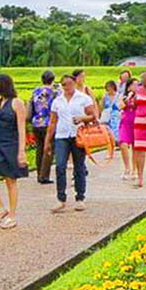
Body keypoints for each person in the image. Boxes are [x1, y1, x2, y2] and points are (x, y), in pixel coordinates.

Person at [0, 74, 28, 229]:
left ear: (2, 85)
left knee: (10, 181)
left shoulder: (17, 103)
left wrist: (21, 152)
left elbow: (22, 129)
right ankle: (1, 208)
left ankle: (13, 216)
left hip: (11, 145)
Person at [45, 73, 96, 213]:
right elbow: (53, 121)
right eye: (64, 84)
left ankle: (80, 197)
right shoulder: (57, 101)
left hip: (78, 135)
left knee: (79, 166)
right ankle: (61, 198)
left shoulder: (83, 98)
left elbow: (93, 116)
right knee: (60, 166)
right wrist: (47, 141)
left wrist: (82, 118)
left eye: (69, 84)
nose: (67, 87)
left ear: (74, 83)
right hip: (61, 135)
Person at [27, 70, 57, 184]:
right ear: (52, 79)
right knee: (48, 148)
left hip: (36, 123)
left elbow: (30, 106)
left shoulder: (35, 91)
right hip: (48, 123)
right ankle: (44, 176)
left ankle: (39, 173)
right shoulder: (54, 92)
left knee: (39, 149)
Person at [118, 78, 138, 179]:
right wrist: (127, 99)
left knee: (135, 146)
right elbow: (120, 106)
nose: (136, 87)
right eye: (134, 85)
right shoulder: (124, 96)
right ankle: (127, 168)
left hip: (136, 122)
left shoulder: (140, 97)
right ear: (129, 87)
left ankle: (134, 169)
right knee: (123, 144)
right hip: (125, 122)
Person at [100, 80, 121, 162]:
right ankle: (109, 151)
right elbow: (101, 106)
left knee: (115, 133)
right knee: (108, 134)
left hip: (116, 117)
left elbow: (121, 106)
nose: (109, 90)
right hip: (107, 117)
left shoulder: (118, 96)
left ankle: (116, 145)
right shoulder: (105, 97)